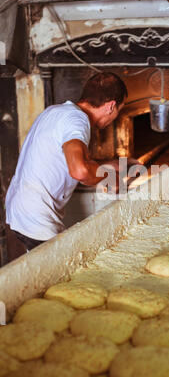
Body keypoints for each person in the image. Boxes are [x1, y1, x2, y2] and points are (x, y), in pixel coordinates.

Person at [5, 71, 128, 251]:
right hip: (37, 218)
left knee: (44, 271)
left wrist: (107, 164)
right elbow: (80, 171)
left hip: (19, 209)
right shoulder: (77, 120)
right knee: (68, 273)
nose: (115, 116)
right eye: (120, 109)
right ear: (110, 106)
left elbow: (65, 158)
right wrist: (109, 176)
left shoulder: (56, 111)